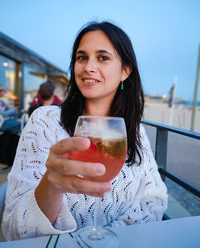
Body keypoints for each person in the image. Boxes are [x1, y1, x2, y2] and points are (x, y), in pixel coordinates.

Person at [2, 21, 168, 240]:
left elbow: (155, 200)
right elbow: (13, 229)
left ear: (125, 71)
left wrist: (108, 235)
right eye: (82, 57)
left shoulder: (133, 131)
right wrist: (51, 184)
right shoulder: (45, 121)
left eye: (102, 57)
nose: (88, 66)